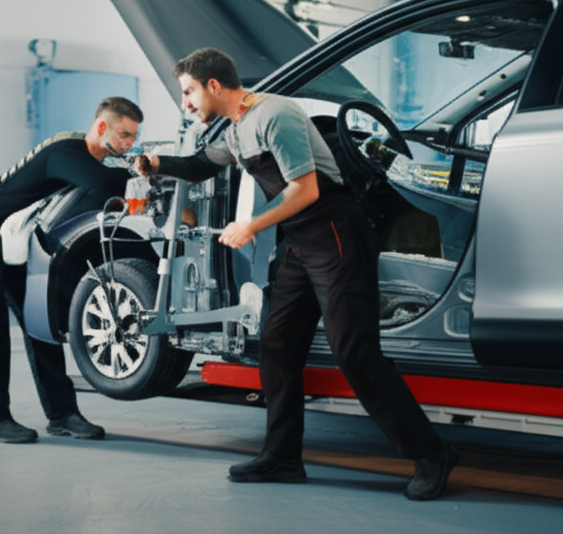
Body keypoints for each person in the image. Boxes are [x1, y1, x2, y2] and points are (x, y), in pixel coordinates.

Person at [136, 48, 457, 500]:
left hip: (334, 233)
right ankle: (283, 457)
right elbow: (202, 165)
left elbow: (304, 191)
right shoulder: (235, 128)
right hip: (301, 244)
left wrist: (250, 225)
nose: (185, 103)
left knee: (356, 353)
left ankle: (431, 454)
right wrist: (156, 164)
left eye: (188, 92)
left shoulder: (275, 115)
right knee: (277, 342)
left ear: (213, 86)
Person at [0, 96, 143, 444]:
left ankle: (63, 415)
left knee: (40, 322)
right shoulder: (67, 153)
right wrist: (151, 168)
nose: (128, 143)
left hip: (19, 236)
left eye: (133, 137)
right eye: (123, 135)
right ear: (101, 127)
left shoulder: (90, 157)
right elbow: (102, 184)